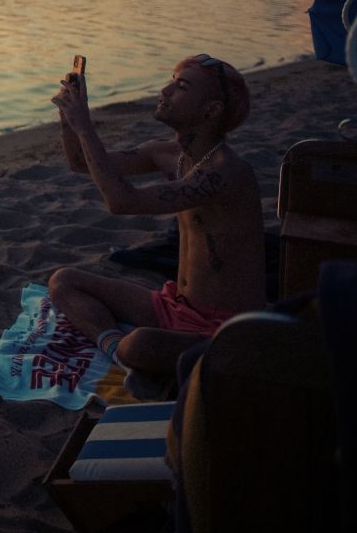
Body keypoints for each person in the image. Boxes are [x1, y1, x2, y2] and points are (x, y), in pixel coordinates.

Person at [47, 54, 264, 390]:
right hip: (175, 305)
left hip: (225, 328)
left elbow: (121, 202)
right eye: (171, 81)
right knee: (64, 282)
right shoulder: (167, 154)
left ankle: (128, 352)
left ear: (211, 110)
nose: (164, 90)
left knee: (141, 344)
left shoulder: (225, 172)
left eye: (180, 86)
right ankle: (118, 354)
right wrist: (69, 115)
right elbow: (81, 163)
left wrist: (84, 125)